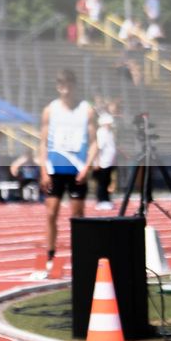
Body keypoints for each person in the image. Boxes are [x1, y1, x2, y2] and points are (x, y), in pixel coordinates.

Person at [32, 67, 94, 278]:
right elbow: (42, 143)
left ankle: (81, 255)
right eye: (61, 85)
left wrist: (87, 166)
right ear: (58, 87)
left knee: (77, 216)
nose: (65, 90)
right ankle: (50, 255)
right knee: (51, 213)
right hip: (55, 168)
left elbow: (95, 143)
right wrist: (43, 170)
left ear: (74, 86)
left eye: (68, 85)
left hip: (77, 169)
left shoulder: (86, 110)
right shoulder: (50, 110)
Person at [93, 102, 118, 210]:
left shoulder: (109, 133)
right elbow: (98, 148)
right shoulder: (101, 133)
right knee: (102, 182)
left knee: (106, 182)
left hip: (108, 162)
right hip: (102, 163)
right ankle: (101, 200)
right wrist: (97, 162)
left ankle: (106, 199)